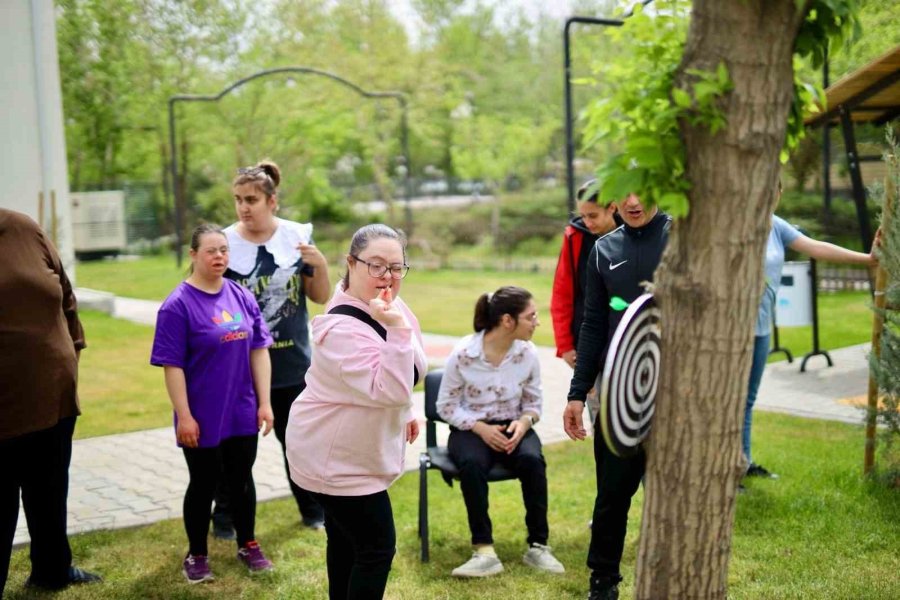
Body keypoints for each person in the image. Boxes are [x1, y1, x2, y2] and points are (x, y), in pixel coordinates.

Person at [286, 224, 425, 600]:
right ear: (351, 263)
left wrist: (408, 408)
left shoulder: (386, 302)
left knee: (346, 542)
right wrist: (395, 329)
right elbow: (390, 387)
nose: (388, 277)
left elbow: (407, 372)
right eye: (376, 265)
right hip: (335, 461)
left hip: (350, 452)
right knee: (377, 548)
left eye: (397, 267)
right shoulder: (340, 328)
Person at [150, 223, 276, 583]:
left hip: (241, 408)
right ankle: (197, 554)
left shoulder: (240, 295)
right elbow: (171, 366)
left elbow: (259, 350)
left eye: (224, 249)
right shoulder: (177, 306)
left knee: (241, 480)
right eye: (211, 251)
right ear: (193, 256)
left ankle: (248, 543)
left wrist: (264, 403)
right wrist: (184, 416)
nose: (220, 256)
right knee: (203, 483)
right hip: (201, 414)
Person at [562, 193, 671, 600]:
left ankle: (673, 575)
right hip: (619, 389)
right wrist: (577, 392)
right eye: (620, 196)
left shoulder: (682, 237)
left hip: (677, 388)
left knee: (674, 491)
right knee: (612, 492)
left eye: (639, 190)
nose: (631, 201)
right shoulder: (604, 249)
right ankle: (603, 581)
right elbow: (593, 322)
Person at [213, 160, 330, 536]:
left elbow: (319, 296)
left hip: (293, 364)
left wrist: (321, 265)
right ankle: (225, 517)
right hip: (239, 369)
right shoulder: (225, 244)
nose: (244, 207)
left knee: (298, 444)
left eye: (252, 199)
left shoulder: (296, 237)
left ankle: (313, 511)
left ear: (272, 201)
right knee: (235, 450)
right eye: (238, 200)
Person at [743, 182, 878, 480]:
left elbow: (816, 247)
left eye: (773, 192)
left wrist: (867, 260)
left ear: (778, 194)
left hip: (762, 328)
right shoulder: (737, 227)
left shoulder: (776, 226)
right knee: (731, 401)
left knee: (748, 400)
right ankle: (726, 468)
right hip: (734, 332)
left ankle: (744, 462)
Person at [0, 209, 102, 595]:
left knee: (49, 490)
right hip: (3, 408)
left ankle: (52, 570)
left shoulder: (23, 228)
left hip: (53, 394)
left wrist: (72, 352)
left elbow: (65, 294)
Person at [437, 286, 565, 578]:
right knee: (471, 464)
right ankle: (483, 551)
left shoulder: (528, 353)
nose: (537, 322)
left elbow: (534, 403)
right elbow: (446, 406)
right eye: (531, 317)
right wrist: (480, 428)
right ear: (508, 320)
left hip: (514, 424)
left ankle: (538, 546)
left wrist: (524, 423)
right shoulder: (463, 354)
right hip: (472, 428)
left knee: (532, 460)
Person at [551, 179, 619, 419]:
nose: (586, 222)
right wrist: (566, 345)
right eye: (582, 216)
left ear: (612, 207)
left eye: (593, 216)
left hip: (624, 338)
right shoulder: (575, 237)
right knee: (600, 416)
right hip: (589, 341)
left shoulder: (631, 234)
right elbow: (562, 292)